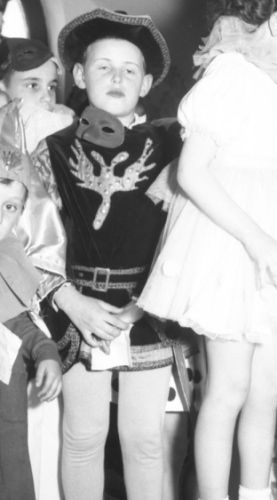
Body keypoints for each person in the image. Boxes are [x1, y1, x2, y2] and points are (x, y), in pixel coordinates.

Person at [137, 1, 277, 500]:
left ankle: (256, 492)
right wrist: (259, 241)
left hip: (266, 244)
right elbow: (192, 173)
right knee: (228, 388)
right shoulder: (231, 73)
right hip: (233, 246)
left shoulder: (268, 78)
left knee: (267, 385)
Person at [30, 9, 190, 500]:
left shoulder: (173, 145)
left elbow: (187, 231)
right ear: (80, 75)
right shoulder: (53, 150)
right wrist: (70, 301)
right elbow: (28, 234)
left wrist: (149, 301)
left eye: (129, 69)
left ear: (146, 83)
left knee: (144, 440)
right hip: (79, 308)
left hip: (148, 306)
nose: (117, 78)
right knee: (83, 435)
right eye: (103, 67)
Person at [0, 36, 74, 500]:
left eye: (51, 88)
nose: (44, 99)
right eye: (31, 85)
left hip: (31, 309)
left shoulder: (55, 145)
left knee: (28, 443)